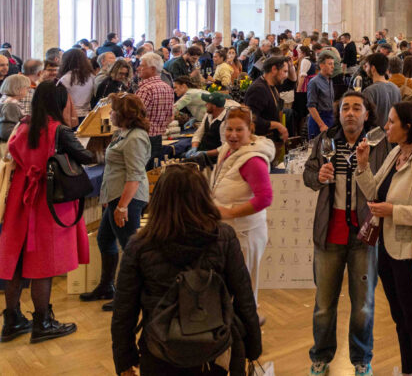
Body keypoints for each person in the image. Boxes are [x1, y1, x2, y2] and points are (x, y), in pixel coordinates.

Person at [110, 165, 262, 376]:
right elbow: (244, 297)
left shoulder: (139, 245)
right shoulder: (223, 237)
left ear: (159, 200)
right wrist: (253, 347)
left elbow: (124, 310)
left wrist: (124, 359)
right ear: (203, 197)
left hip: (159, 350)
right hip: (214, 349)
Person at [355, 102, 412, 376]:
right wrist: (362, 164)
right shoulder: (397, 152)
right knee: (400, 319)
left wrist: (394, 212)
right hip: (388, 249)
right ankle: (408, 371)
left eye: (392, 122)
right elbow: (374, 191)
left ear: (408, 127)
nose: (386, 126)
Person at [0, 81, 93, 343]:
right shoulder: (59, 130)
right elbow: (85, 156)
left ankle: (12, 319)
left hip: (20, 197)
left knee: (17, 260)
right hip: (47, 198)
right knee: (45, 262)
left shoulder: (24, 124)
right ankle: (42, 322)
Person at [304, 91, 387, 376]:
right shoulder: (325, 141)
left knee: (364, 305)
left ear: (367, 114)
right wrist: (318, 177)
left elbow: (385, 185)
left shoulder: (378, 143)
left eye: (357, 108)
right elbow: (307, 174)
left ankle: (362, 359)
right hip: (329, 232)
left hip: (365, 235)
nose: (350, 113)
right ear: (339, 114)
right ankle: (320, 356)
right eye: (345, 108)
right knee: (324, 305)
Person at [79, 93, 151, 310]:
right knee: (104, 239)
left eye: (113, 110)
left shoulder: (136, 138)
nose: (109, 113)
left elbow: (135, 175)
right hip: (116, 197)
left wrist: (122, 206)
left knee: (130, 248)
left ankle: (131, 295)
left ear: (124, 114)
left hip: (127, 200)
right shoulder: (124, 133)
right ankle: (106, 286)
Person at [204, 107, 274, 307]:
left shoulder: (253, 161)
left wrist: (230, 212)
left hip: (244, 233)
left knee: (244, 290)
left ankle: (247, 329)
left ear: (250, 129)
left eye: (239, 130)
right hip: (228, 231)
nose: (232, 135)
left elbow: (265, 198)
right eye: (229, 129)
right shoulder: (229, 149)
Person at [135, 52, 175, 164]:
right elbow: (171, 117)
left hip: (142, 138)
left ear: (152, 69)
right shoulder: (167, 87)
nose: (138, 68)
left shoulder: (145, 89)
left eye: (142, 66)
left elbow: (135, 116)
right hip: (158, 137)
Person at [244, 55, 289, 145]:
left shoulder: (272, 85)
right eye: (284, 71)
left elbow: (292, 83)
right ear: (274, 69)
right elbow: (252, 119)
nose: (286, 76)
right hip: (260, 143)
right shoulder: (258, 89)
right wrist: (277, 125)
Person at [363, 53, 401, 132]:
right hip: (393, 134)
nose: (365, 69)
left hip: (375, 137)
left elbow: (366, 118)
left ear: (373, 68)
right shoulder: (396, 88)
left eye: (367, 66)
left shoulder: (369, 91)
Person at [57, 47, 94, 125]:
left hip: (70, 115)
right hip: (87, 114)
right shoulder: (91, 77)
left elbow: (59, 99)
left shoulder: (65, 78)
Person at [307, 52, 336, 139]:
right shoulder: (314, 82)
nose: (333, 67)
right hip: (319, 121)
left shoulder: (330, 80)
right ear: (321, 66)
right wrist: (321, 125)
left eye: (333, 64)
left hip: (330, 118)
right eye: (330, 64)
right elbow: (311, 107)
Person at [0, 74, 29, 143]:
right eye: (26, 87)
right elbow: (6, 132)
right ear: (18, 88)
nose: (28, 90)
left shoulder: (5, 100)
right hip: (8, 144)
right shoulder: (11, 105)